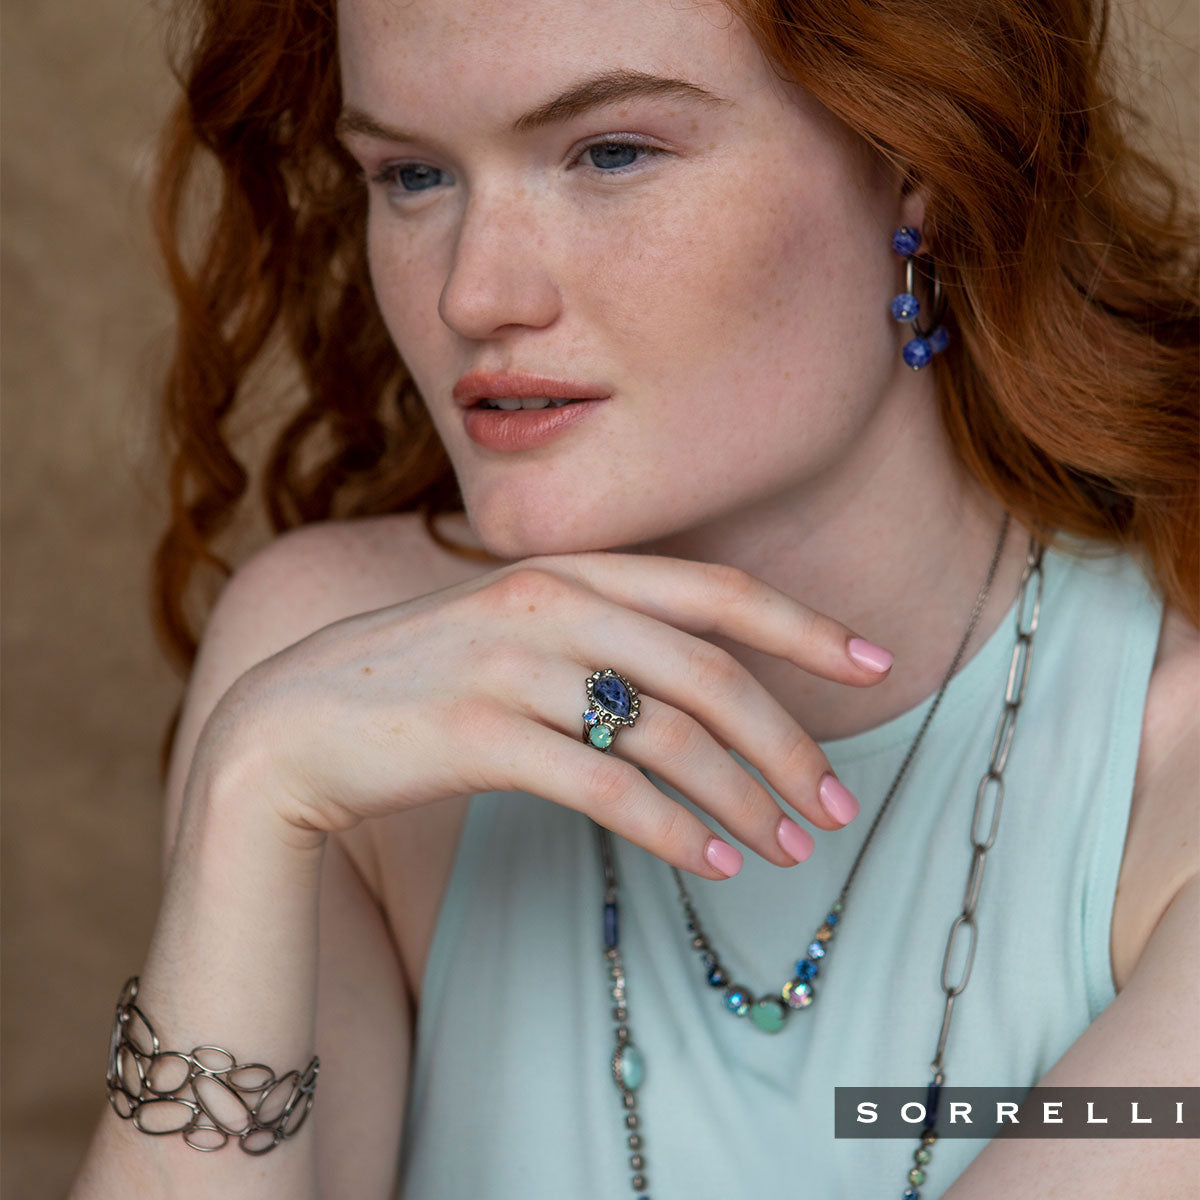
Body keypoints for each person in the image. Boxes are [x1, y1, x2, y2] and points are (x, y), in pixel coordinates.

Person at [71, 0, 1197, 1195]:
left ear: (920, 165)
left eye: (611, 153)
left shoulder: (1167, 770)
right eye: (411, 175)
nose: (473, 295)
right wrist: (249, 793)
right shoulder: (332, 672)